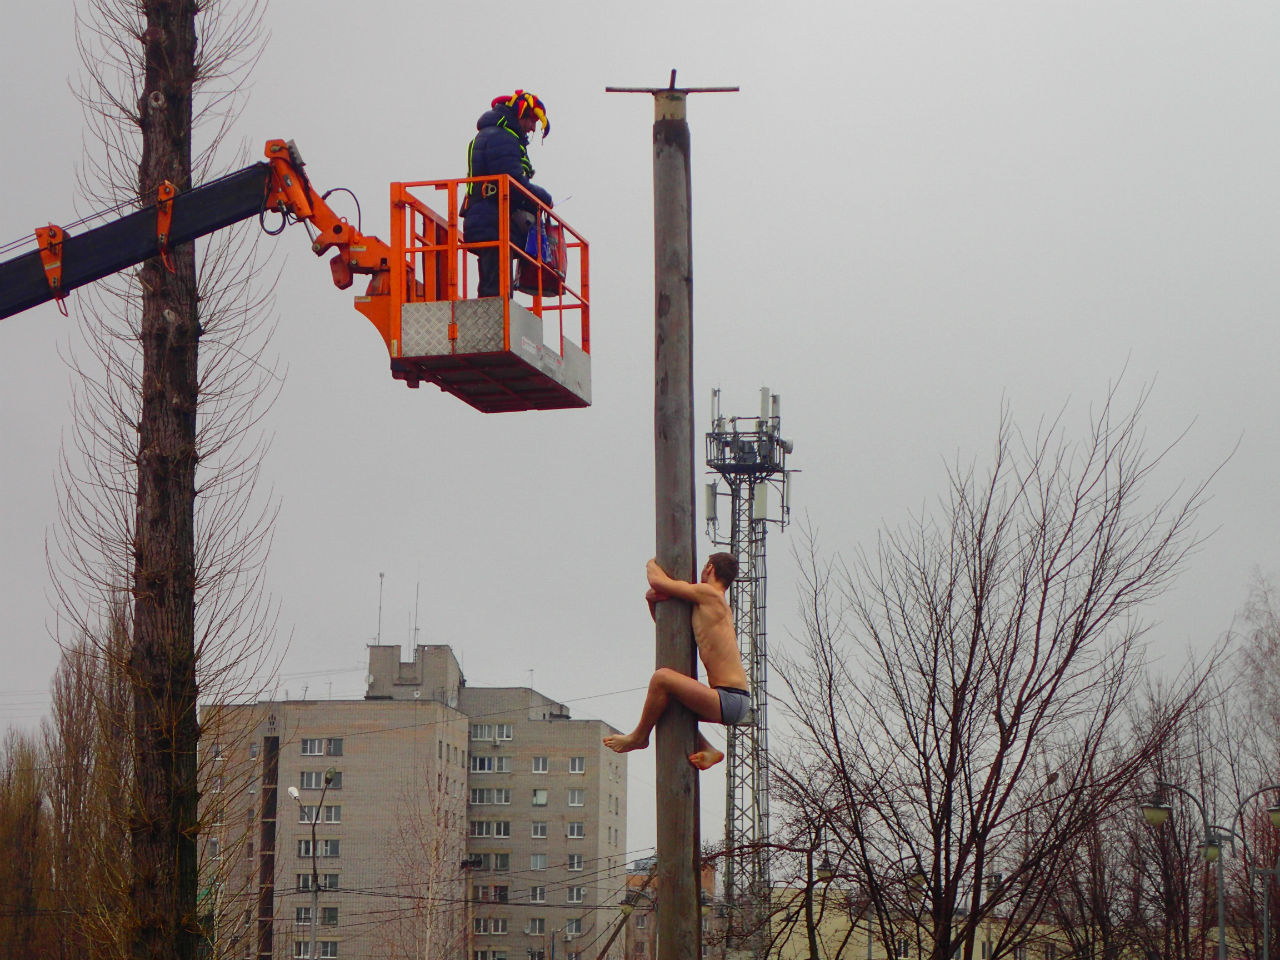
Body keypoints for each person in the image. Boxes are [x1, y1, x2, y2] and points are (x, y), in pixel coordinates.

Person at [603, 554, 751, 770]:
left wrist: (652, 562)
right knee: (664, 701)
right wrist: (652, 601)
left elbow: (658, 581)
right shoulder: (706, 605)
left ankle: (639, 737)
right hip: (730, 699)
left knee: (661, 678)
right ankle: (709, 749)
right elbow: (672, 632)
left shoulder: (710, 594)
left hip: (729, 698)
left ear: (709, 569)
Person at [461, 90, 554, 297]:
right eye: (531, 121)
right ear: (521, 114)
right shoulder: (502, 138)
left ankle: (497, 313)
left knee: (494, 279)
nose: (532, 128)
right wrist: (542, 199)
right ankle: (496, 318)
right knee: (495, 286)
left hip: (487, 215)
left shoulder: (494, 134)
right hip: (493, 218)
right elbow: (512, 183)